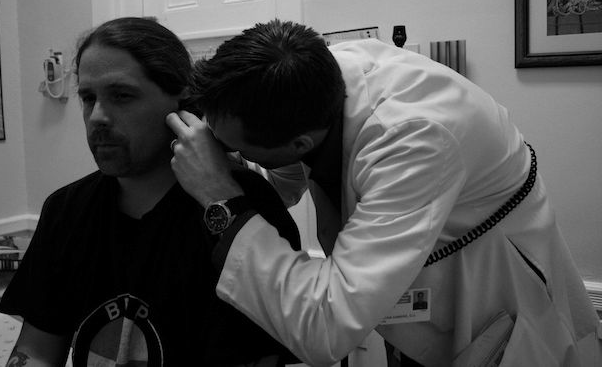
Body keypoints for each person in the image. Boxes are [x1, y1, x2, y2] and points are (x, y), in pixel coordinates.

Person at [166, 19, 601, 367]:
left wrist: (220, 194)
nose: (228, 155)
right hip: (414, 311)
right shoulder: (312, 80)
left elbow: (326, 329)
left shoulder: (414, 138)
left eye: (238, 149)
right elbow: (289, 179)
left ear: (299, 143)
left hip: (498, 318)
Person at [0, 17, 300, 366]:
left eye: (121, 96)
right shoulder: (66, 211)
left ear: (181, 100)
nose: (97, 117)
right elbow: (36, 351)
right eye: (88, 98)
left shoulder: (239, 209)